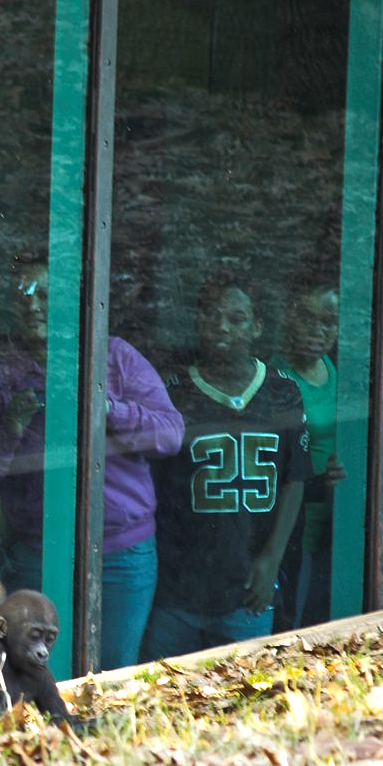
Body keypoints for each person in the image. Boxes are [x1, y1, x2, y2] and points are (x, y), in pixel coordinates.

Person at [0, 253, 183, 670]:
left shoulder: (114, 357)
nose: (33, 304)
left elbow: (170, 435)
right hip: (35, 552)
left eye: (46, 294)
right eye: (23, 295)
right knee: (34, 671)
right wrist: (12, 427)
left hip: (121, 554)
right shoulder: (3, 377)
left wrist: (110, 409)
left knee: (112, 670)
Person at [142, 274, 310, 660]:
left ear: (257, 326)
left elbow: (295, 479)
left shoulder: (283, 392)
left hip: (248, 585)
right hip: (178, 587)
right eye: (212, 315)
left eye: (235, 318)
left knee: (243, 693)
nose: (222, 326)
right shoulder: (174, 391)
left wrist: (271, 559)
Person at [270, 283, 347, 629]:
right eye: (308, 318)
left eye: (328, 320)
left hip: (335, 523)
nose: (318, 330)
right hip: (293, 526)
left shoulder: (334, 369)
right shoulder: (276, 377)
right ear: (289, 318)